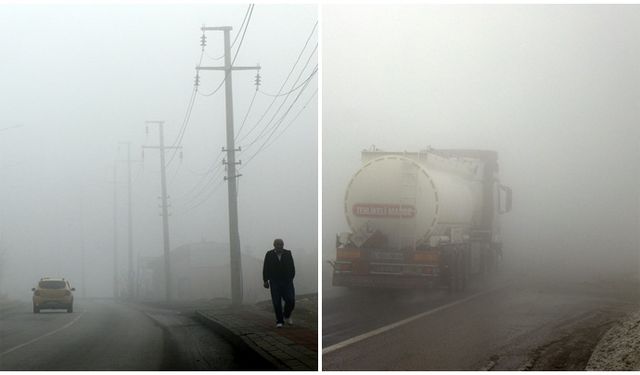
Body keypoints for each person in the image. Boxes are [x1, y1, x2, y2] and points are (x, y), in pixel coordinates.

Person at [262, 238, 295, 328]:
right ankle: (279, 320)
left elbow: (292, 267)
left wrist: (290, 278)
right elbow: (266, 267)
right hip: (275, 281)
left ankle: (287, 315)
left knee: (291, 300)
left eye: (281, 245)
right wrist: (265, 280)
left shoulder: (288, 253)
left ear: (283, 245)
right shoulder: (269, 254)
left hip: (287, 281)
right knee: (276, 302)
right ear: (274, 246)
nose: (279, 247)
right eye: (278, 245)